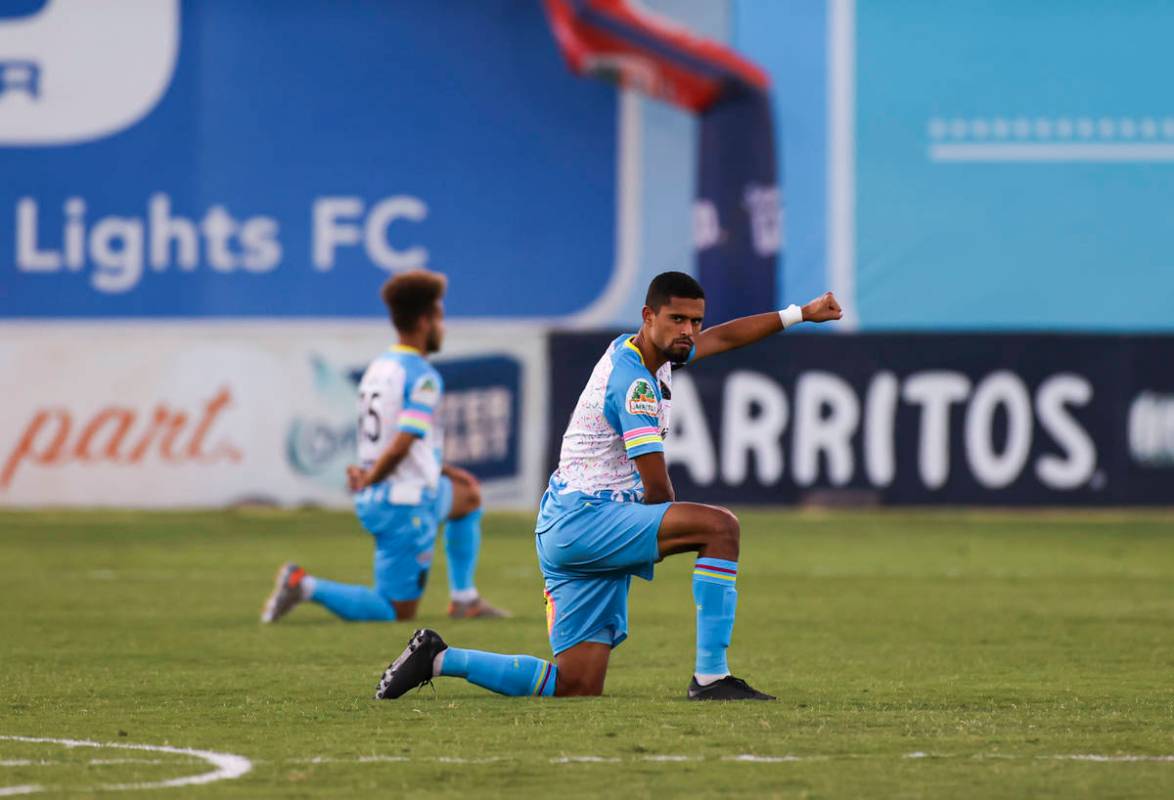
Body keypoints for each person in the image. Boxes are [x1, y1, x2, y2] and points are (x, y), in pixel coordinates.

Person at [373, 271, 841, 700]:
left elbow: (724, 337)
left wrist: (800, 314)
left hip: (567, 523)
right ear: (648, 316)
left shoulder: (644, 349)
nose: (689, 331)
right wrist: (653, 539)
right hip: (587, 520)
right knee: (719, 529)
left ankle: (438, 657)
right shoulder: (634, 382)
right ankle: (711, 678)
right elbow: (658, 489)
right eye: (677, 319)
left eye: (695, 321)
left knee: (576, 685)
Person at [261, 269, 507, 624]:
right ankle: (304, 585)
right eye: (440, 318)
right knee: (394, 612)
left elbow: (387, 437)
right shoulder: (422, 376)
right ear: (425, 322)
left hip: (405, 489)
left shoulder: (379, 367)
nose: (443, 327)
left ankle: (464, 599)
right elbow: (401, 443)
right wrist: (371, 477)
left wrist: (443, 470)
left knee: (467, 496)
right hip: (403, 503)